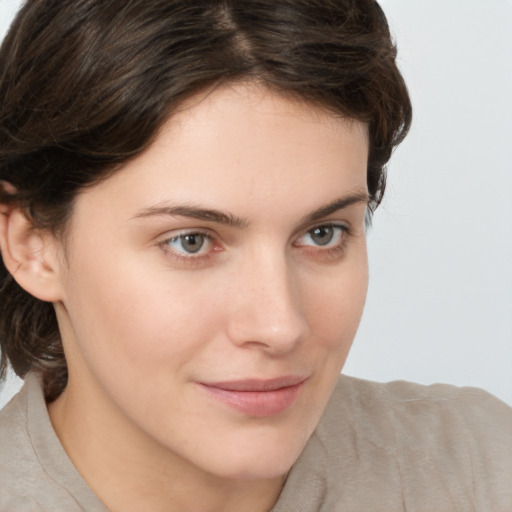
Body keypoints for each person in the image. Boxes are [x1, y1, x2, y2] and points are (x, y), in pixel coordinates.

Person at [0, 1, 510, 511]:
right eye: (191, 241)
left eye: (323, 233)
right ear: (32, 246)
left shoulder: (483, 467)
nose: (280, 326)